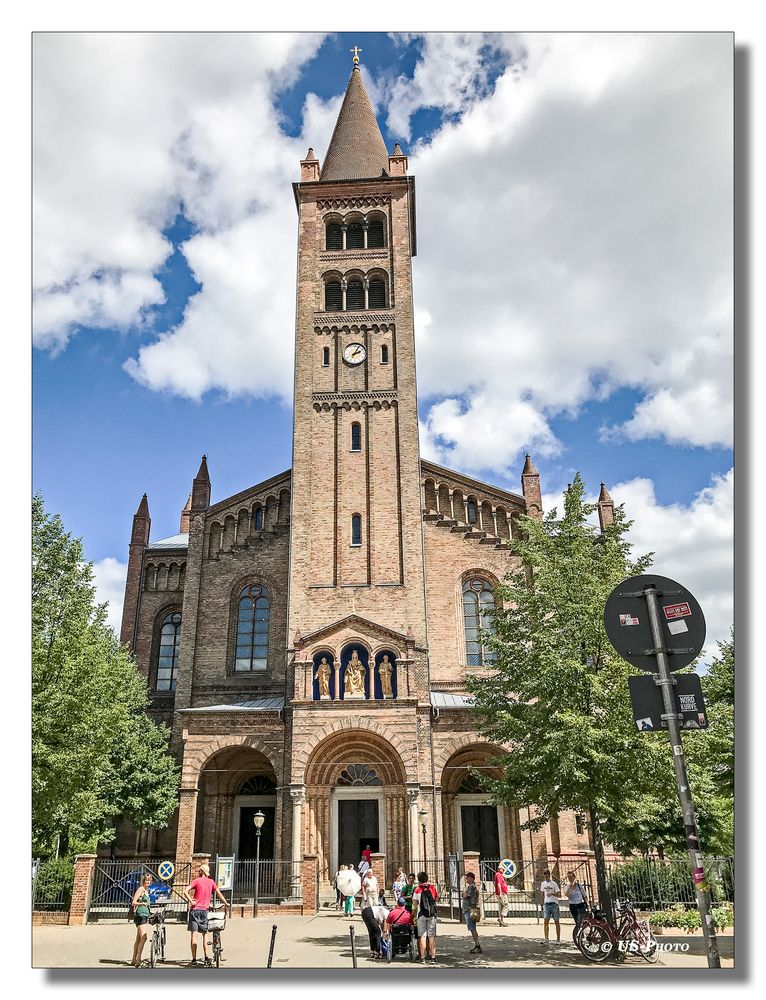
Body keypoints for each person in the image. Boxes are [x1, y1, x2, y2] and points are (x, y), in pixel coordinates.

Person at [182, 862, 230, 967]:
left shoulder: (196, 881)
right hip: (204, 911)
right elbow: (219, 893)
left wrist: (191, 900)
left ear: (201, 871)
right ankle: (206, 957)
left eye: (199, 870)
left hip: (194, 911)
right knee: (205, 934)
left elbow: (185, 891)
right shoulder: (211, 882)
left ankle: (194, 959)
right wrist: (225, 903)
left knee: (194, 935)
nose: (199, 872)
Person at [412, 871, 439, 962]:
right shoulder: (432, 888)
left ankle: (422, 958)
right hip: (431, 914)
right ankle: (433, 957)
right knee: (431, 936)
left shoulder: (417, 889)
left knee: (422, 936)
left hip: (421, 914)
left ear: (419, 880)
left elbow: (415, 904)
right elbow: (436, 899)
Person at [130, 873, 153, 967]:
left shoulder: (147, 891)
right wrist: (142, 904)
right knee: (144, 937)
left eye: (149, 880)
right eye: (146, 880)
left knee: (138, 938)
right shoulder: (140, 889)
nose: (148, 881)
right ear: (143, 881)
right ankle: (138, 959)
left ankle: (133, 959)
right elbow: (133, 902)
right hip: (140, 915)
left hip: (144, 915)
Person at [462, 872, 482, 954]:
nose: (466, 879)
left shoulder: (472, 887)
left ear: (471, 878)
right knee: (472, 928)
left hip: (470, 909)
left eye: (467, 878)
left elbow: (464, 896)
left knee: (472, 928)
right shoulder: (470, 887)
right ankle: (477, 945)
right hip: (469, 909)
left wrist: (464, 892)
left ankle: (477, 945)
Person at [540, 869, 561, 944]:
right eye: (544, 875)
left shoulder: (554, 884)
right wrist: (542, 903)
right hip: (547, 904)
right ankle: (546, 939)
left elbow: (559, 894)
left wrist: (553, 894)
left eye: (546, 875)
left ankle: (558, 939)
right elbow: (542, 894)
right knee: (546, 921)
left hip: (554, 904)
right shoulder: (543, 884)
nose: (545, 876)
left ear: (549, 875)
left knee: (556, 921)